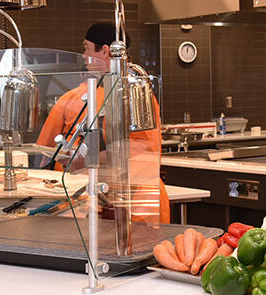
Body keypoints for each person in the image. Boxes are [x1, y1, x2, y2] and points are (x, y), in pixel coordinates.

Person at [36, 22, 171, 224]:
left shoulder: (133, 93)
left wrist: (86, 160)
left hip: (136, 201)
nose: (83, 55)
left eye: (87, 48)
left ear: (105, 51)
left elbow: (138, 149)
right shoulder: (90, 94)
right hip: (102, 199)